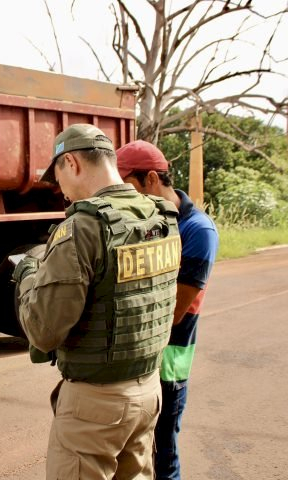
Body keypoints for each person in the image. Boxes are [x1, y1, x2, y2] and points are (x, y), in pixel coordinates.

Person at [12, 124, 181, 480]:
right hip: (148, 390)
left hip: (96, 405)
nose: (60, 190)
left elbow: (43, 332)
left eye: (57, 177)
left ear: (71, 162)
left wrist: (28, 273)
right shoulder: (161, 216)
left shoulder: (83, 227)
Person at [116, 140, 219, 480]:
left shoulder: (198, 230)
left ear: (150, 179)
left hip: (168, 363)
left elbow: (173, 310)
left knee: (162, 454)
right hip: (137, 360)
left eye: (126, 184)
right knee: (131, 454)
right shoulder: (146, 221)